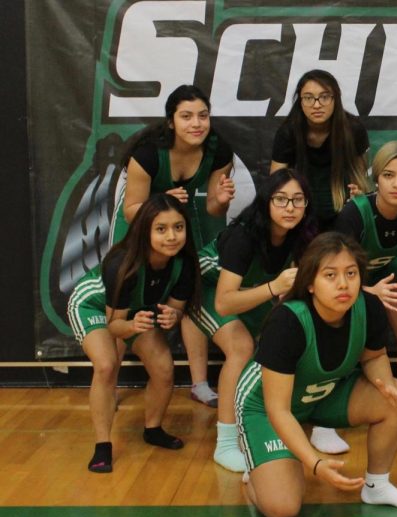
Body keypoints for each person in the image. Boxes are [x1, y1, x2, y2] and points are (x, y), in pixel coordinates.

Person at [235, 232, 397, 517]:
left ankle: (377, 487)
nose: (343, 284)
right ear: (310, 282)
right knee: (282, 508)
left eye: (351, 273)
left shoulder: (368, 306)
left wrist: (386, 384)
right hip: (265, 408)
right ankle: (257, 468)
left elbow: (373, 357)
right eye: (330, 275)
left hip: (318, 396)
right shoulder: (287, 322)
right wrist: (315, 462)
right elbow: (278, 409)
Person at [112, 84, 237, 408]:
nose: (196, 123)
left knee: (188, 296)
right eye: (186, 116)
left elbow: (212, 207)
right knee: (125, 301)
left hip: (179, 228)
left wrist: (221, 201)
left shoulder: (218, 150)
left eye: (203, 115)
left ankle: (199, 383)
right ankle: (109, 381)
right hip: (138, 229)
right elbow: (131, 208)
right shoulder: (148, 154)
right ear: (171, 122)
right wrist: (161, 201)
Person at [186, 168, 317, 472]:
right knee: (242, 348)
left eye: (298, 200)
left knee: (284, 339)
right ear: (265, 202)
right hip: (205, 289)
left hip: (249, 290)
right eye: (281, 199)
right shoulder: (244, 236)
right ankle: (226, 443)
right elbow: (224, 300)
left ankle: (279, 422)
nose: (290, 207)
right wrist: (273, 288)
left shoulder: (301, 236)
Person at [69, 194, 199, 473]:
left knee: (164, 370)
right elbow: (115, 326)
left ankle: (152, 430)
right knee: (106, 365)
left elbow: (175, 310)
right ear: (145, 231)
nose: (172, 236)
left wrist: (170, 317)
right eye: (161, 229)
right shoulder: (122, 263)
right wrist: (131, 326)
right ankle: (103, 446)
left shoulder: (185, 263)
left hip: (136, 312)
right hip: (93, 307)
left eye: (178, 227)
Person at [335, 141, 397, 430]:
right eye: (389, 175)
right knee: (343, 341)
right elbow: (335, 271)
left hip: (391, 275)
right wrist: (370, 293)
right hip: (347, 280)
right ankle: (324, 420)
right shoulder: (353, 214)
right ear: (376, 177)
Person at [270, 69, 370, 231]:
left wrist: (359, 196)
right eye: (308, 98)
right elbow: (275, 183)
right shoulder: (288, 132)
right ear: (300, 101)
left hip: (341, 203)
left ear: (335, 99)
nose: (316, 105)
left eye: (324, 97)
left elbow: (360, 175)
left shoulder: (353, 129)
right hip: (302, 207)